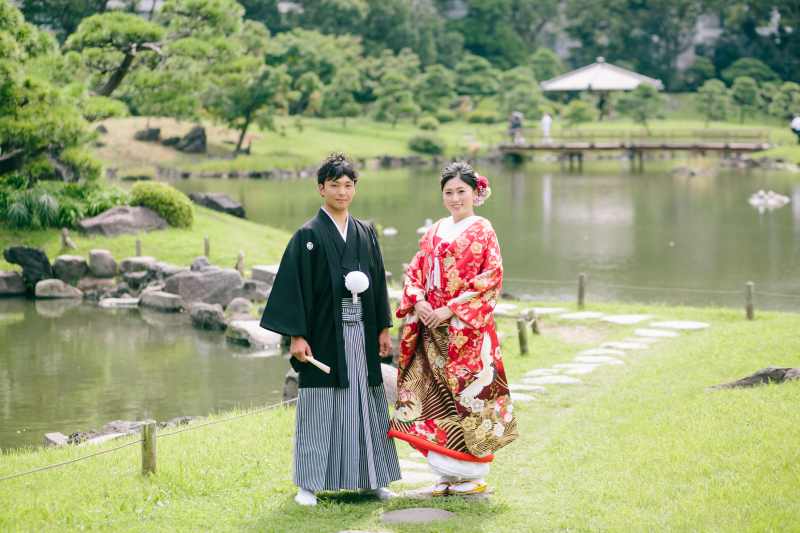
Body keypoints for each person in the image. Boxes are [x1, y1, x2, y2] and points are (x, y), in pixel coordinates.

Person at [259, 153, 400, 506]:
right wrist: (296, 335)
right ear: (321, 188)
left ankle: (372, 479)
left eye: (348, 185)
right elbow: (293, 287)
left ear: (354, 188)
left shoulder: (365, 231)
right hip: (323, 333)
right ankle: (308, 483)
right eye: (334, 185)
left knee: (366, 403)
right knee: (321, 405)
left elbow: (378, 280)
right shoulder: (307, 235)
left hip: (362, 332)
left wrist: (383, 327)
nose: (342, 191)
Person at [388, 162, 518, 496]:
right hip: (432, 329)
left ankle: (473, 473)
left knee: (468, 397)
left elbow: (490, 279)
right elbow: (416, 269)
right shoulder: (435, 230)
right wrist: (418, 302)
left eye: (462, 191)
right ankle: (444, 471)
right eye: (449, 192)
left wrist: (450, 308)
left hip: (467, 331)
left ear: (476, 193)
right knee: (435, 397)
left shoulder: (483, 230)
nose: (455, 198)